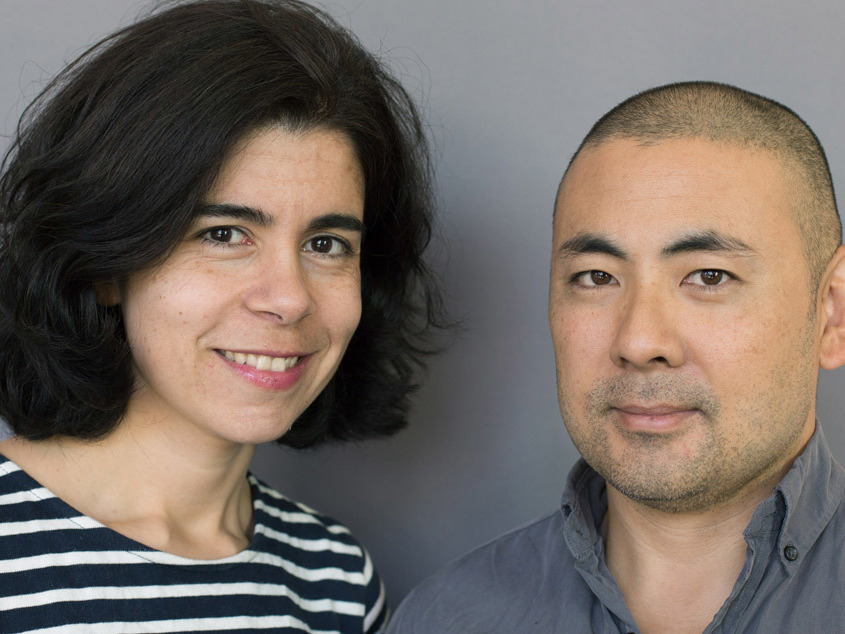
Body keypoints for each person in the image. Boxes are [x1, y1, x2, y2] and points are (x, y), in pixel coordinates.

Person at [0, 1, 445, 631]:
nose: (288, 299)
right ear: (102, 265)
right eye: (224, 234)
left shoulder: (336, 582)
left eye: (326, 245)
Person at [388, 81, 845, 633]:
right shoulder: (445, 619)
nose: (639, 341)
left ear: (831, 312)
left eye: (709, 276)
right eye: (597, 277)